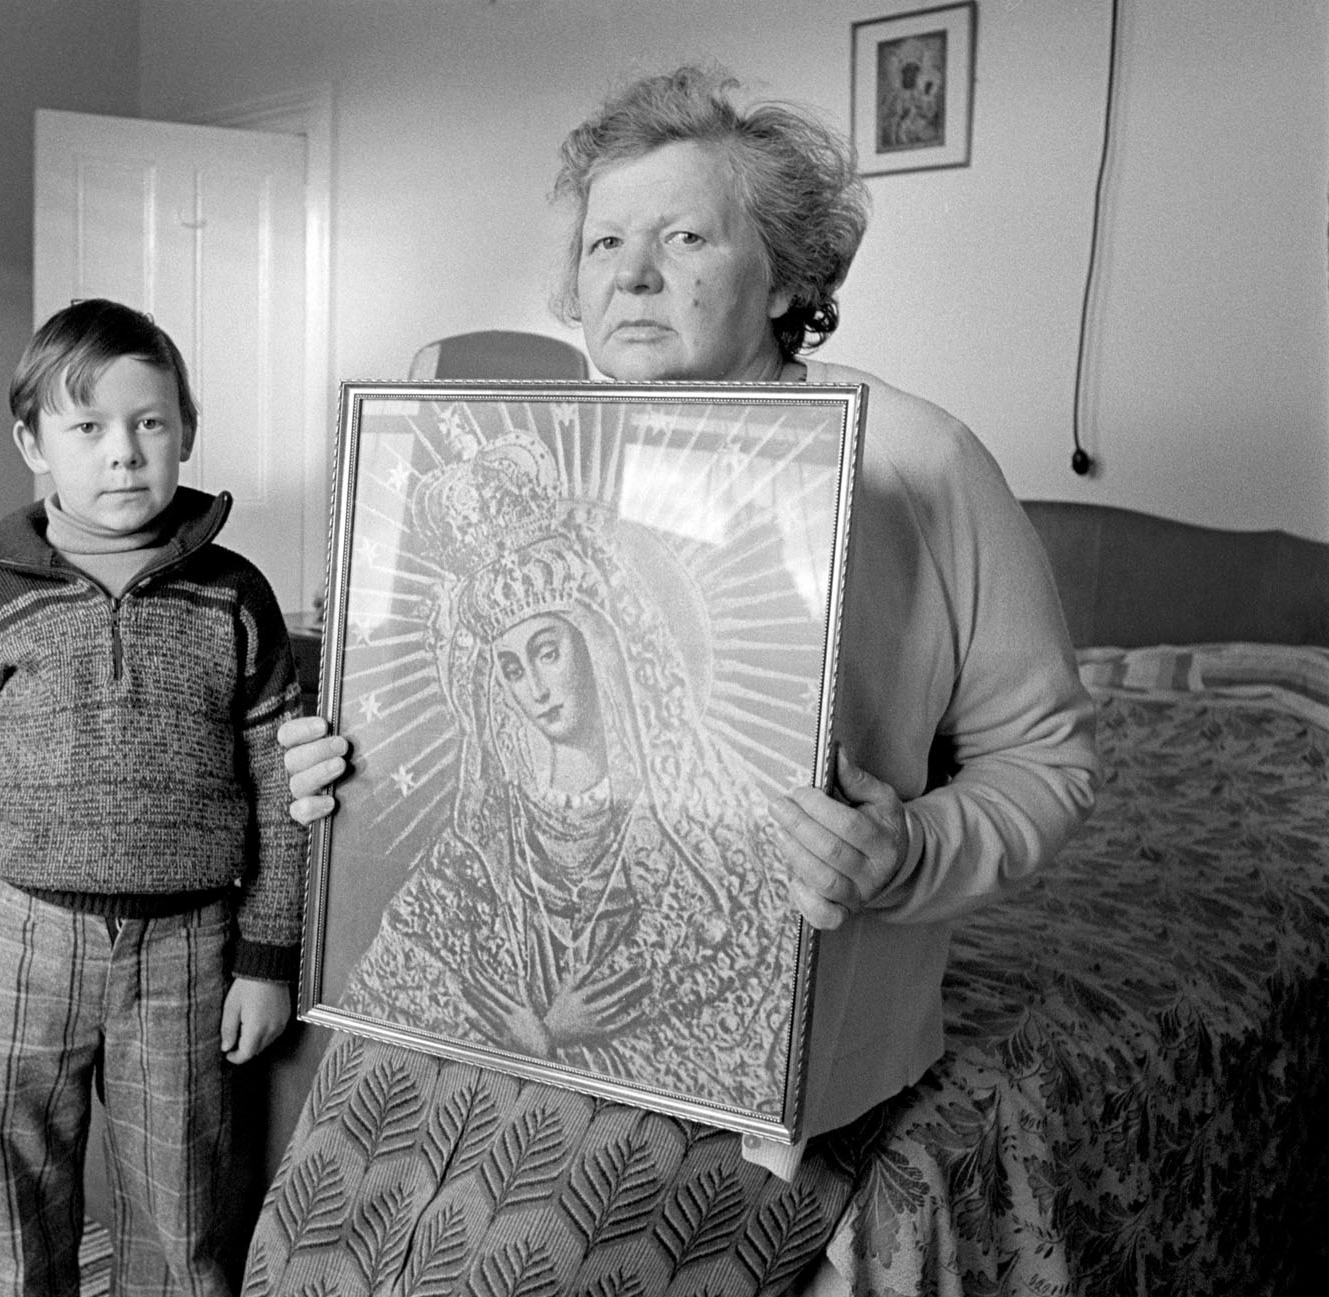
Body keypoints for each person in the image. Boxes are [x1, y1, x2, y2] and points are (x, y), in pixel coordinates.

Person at [277, 63, 1099, 1177]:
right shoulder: (550, 466)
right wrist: (351, 767)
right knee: (324, 1207)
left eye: (687, 240)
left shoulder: (923, 460)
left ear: (781, 279)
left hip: (774, 1064)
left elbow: (1043, 761)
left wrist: (904, 850)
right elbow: (482, 764)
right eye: (604, 245)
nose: (633, 277)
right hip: (497, 995)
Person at [0, 299, 306, 1295]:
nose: (123, 454)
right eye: (88, 428)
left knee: (185, 1208)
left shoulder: (236, 595)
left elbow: (282, 788)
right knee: (15, 1194)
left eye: (149, 423)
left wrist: (268, 955)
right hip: (19, 939)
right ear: (33, 443)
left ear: (186, 432)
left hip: (188, 951)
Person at [337, 446, 797, 1113]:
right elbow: (396, 977)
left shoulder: (696, 834)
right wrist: (540, 1034)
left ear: (598, 648)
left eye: (548, 651)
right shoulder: (491, 834)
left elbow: (736, 997)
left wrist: (553, 1036)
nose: (537, 690)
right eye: (513, 668)